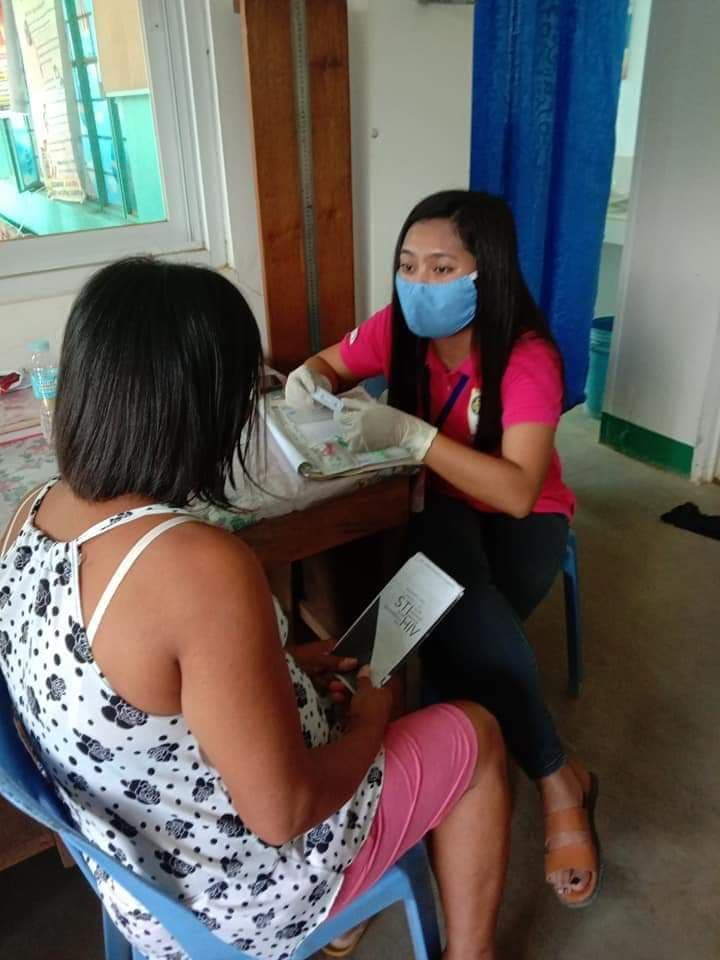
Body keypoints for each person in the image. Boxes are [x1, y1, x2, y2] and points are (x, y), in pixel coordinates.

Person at [0, 257, 510, 960]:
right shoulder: (197, 567)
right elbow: (283, 814)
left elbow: (133, 690)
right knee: (475, 732)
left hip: (135, 874)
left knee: (348, 681)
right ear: (205, 409)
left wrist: (277, 667)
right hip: (235, 895)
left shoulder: (31, 514)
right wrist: (370, 721)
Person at [284, 189, 601, 908]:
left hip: (525, 521)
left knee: (447, 623)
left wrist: (415, 437)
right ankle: (557, 780)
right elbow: (327, 367)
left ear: (483, 272)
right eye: (407, 264)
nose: (419, 283)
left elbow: (521, 491)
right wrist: (314, 384)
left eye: (440, 267)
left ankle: (383, 796)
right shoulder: (398, 328)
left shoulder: (526, 357)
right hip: (444, 515)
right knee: (450, 589)